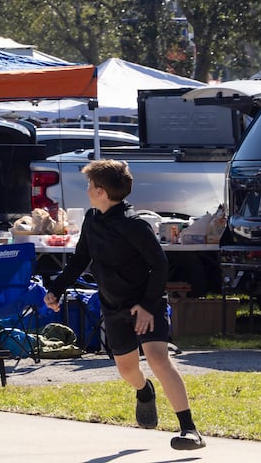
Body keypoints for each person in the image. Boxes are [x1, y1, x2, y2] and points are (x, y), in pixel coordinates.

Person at [43, 159, 204, 451]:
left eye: (91, 184)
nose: (88, 189)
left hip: (146, 303)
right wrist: (56, 288)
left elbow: (160, 265)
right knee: (128, 371)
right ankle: (144, 391)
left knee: (158, 358)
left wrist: (147, 304)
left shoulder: (134, 225)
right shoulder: (93, 219)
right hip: (113, 306)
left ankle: (189, 430)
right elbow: (80, 259)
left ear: (102, 191)